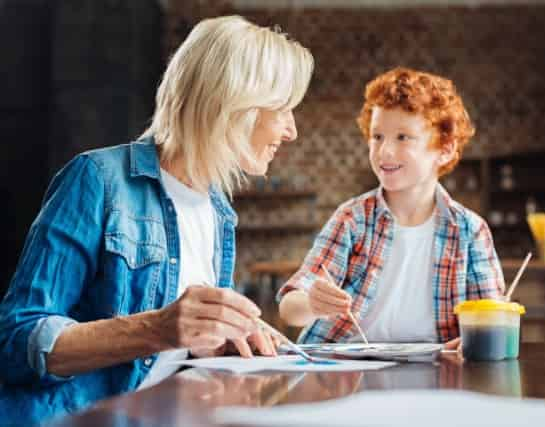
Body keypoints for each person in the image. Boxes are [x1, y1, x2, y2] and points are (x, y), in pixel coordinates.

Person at [0, 15, 314, 397]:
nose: (292, 130)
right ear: (235, 104)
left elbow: (178, 353)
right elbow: (16, 342)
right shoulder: (98, 179)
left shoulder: (217, 211)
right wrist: (157, 329)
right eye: (282, 109)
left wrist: (220, 336)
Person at [278, 67, 503, 349]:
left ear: (444, 148)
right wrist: (311, 303)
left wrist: (478, 338)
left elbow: (493, 320)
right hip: (345, 371)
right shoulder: (353, 219)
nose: (384, 151)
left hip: (435, 372)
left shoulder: (470, 231)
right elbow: (289, 307)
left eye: (402, 137)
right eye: (377, 136)